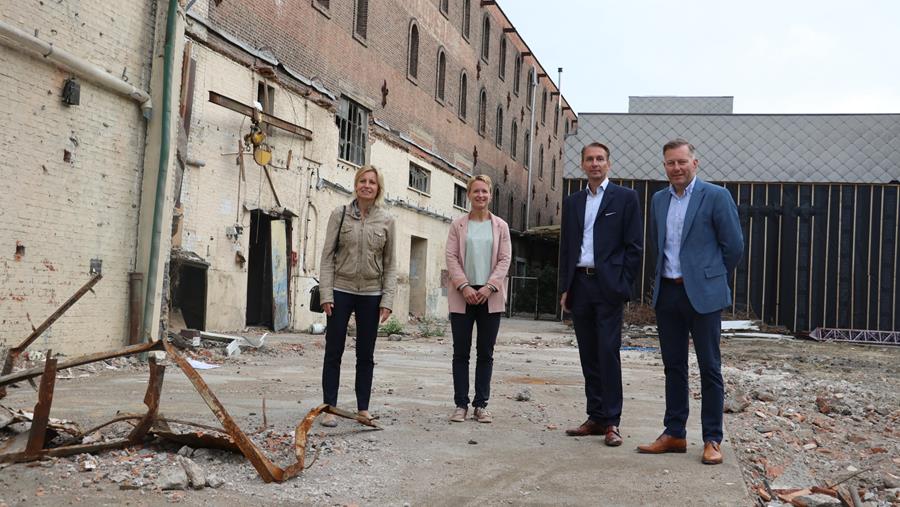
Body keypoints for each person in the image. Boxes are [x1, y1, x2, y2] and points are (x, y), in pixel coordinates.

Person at [637, 139, 744, 465]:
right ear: (665, 166)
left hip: (704, 296)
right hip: (668, 293)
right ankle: (675, 433)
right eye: (670, 163)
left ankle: (712, 439)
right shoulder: (658, 200)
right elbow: (658, 244)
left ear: (694, 163)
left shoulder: (716, 196)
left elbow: (734, 245)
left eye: (682, 162)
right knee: (674, 367)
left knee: (710, 367)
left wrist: (708, 277)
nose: (676, 168)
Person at [558, 142, 643, 446]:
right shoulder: (573, 202)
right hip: (580, 284)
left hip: (608, 286)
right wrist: (565, 287)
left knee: (608, 352)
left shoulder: (626, 198)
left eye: (600, 159)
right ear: (582, 165)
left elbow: (634, 247)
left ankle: (612, 422)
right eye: (589, 159)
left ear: (609, 163)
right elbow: (567, 247)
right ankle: (594, 416)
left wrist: (622, 284)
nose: (595, 164)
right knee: (587, 353)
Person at [318, 165, 397, 427]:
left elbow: (390, 263)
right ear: (356, 184)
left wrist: (387, 300)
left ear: (378, 188)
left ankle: (363, 408)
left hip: (371, 294)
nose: (366, 185)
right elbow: (327, 257)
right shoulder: (339, 215)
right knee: (334, 350)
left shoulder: (387, 221)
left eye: (372, 182)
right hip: (340, 290)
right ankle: (330, 407)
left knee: (366, 354)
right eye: (362, 180)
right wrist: (326, 293)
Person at [445, 175, 511, 423]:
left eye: (485, 191)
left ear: (490, 195)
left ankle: (480, 405)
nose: (480, 195)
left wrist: (489, 287)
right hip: (463, 295)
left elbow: (505, 259)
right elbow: (451, 257)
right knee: (460, 352)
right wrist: (463, 286)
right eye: (476, 192)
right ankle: (460, 404)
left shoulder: (501, 227)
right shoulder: (458, 226)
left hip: (489, 297)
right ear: (469, 195)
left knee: (486, 352)